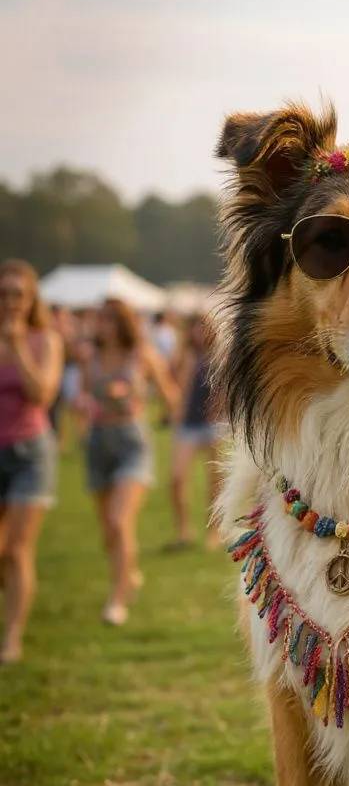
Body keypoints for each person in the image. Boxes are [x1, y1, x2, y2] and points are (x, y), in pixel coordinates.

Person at [78, 298, 178, 625]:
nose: (102, 325)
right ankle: (128, 572)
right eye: (100, 319)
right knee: (109, 530)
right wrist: (82, 404)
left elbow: (169, 395)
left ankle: (117, 599)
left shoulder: (142, 355)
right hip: (98, 443)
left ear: (122, 323)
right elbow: (80, 396)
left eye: (109, 319)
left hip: (131, 443)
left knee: (121, 521)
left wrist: (137, 399)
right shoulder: (90, 357)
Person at [0, 260, 63, 663]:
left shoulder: (46, 341)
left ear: (31, 300)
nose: (10, 302)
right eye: (3, 294)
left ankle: (13, 637)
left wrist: (19, 346)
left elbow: (43, 394)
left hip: (30, 454)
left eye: (17, 294)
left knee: (16, 550)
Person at [168, 314, 224, 550]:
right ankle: (184, 531)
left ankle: (214, 532)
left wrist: (220, 408)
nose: (197, 333)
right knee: (177, 477)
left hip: (213, 424)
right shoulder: (187, 356)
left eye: (201, 328)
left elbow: (226, 388)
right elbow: (175, 383)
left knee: (215, 481)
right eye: (193, 329)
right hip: (188, 424)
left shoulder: (219, 356)